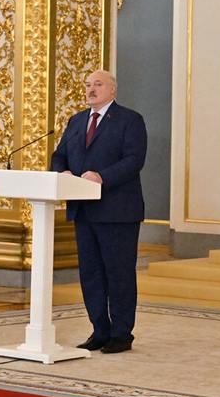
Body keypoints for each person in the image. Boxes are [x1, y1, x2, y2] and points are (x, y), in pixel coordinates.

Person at [50, 70, 147, 354]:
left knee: (118, 273)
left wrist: (102, 176)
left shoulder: (130, 120)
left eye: (98, 84)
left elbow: (134, 160)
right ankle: (100, 330)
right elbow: (59, 156)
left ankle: (121, 334)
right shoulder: (77, 121)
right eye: (88, 85)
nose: (91, 89)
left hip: (118, 211)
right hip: (84, 210)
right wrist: (62, 172)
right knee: (91, 274)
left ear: (112, 90)